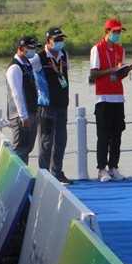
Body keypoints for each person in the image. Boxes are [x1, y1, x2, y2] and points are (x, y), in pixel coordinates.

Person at [89, 18, 132, 182]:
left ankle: (113, 167)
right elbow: (93, 74)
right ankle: (102, 169)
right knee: (103, 135)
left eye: (119, 32)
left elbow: (119, 74)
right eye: (115, 32)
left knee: (117, 135)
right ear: (107, 32)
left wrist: (125, 70)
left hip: (118, 97)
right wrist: (111, 70)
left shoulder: (120, 49)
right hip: (103, 97)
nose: (117, 34)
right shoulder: (97, 49)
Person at [34, 26, 73, 185]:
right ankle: (44, 174)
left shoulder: (64, 55)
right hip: (46, 106)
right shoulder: (39, 58)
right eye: (56, 40)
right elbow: (31, 78)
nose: (60, 42)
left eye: (61, 39)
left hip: (62, 103)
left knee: (61, 140)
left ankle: (57, 172)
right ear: (48, 41)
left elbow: (64, 75)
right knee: (46, 141)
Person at [5, 36, 39, 164]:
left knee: (27, 148)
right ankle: (14, 181)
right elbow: (16, 94)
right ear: (20, 49)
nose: (33, 50)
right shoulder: (15, 67)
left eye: (34, 47)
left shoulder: (27, 64)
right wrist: (24, 116)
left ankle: (23, 178)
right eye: (30, 48)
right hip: (20, 116)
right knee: (20, 149)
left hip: (31, 112)